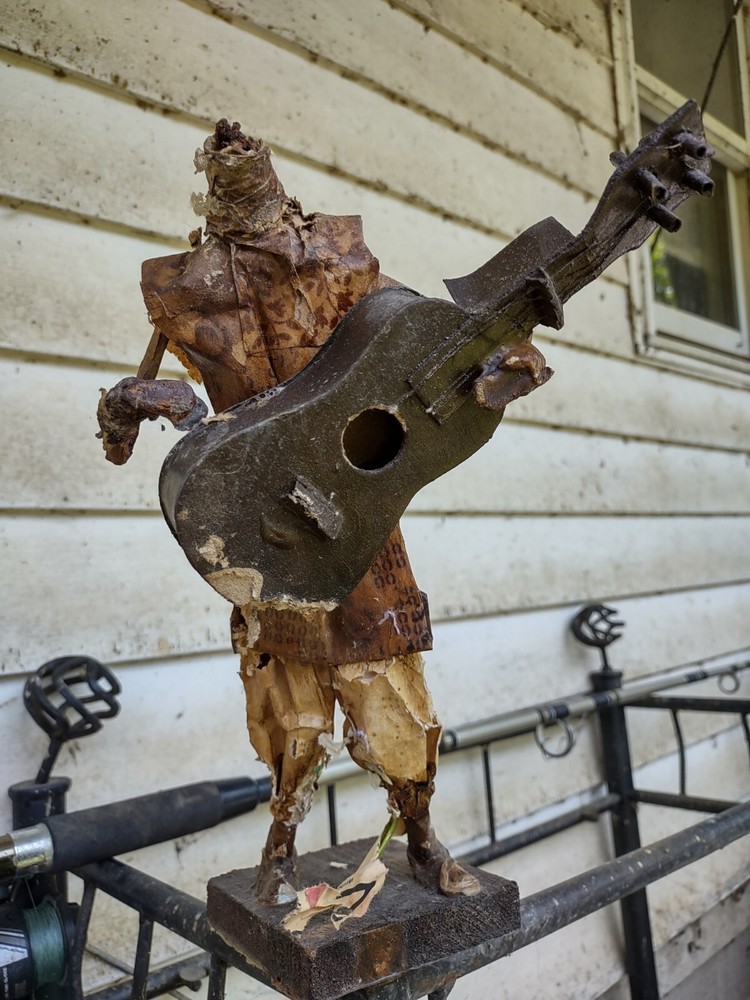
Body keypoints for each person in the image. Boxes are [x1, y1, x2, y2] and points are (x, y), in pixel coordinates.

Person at [97, 120, 479, 904]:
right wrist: (139, 401)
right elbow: (118, 438)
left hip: (359, 518)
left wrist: (483, 368)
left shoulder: (342, 261)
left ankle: (422, 835)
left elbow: (415, 346)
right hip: (259, 525)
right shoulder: (182, 291)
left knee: (392, 696)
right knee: (288, 711)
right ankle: (280, 844)